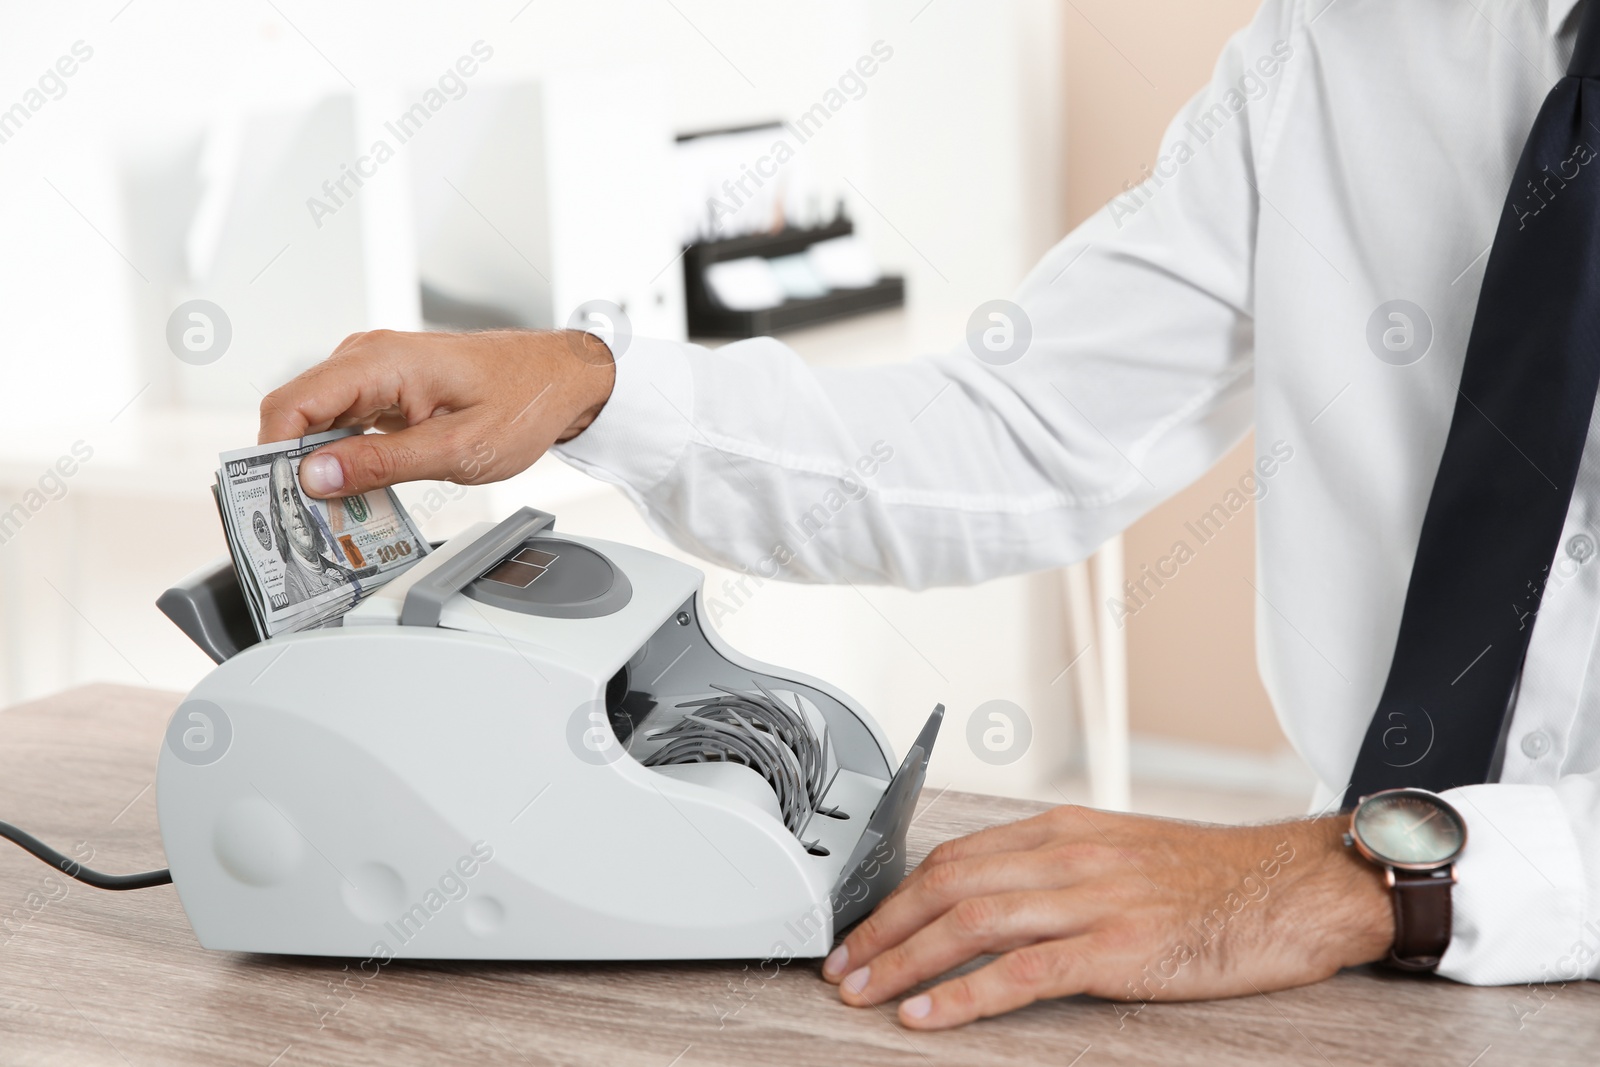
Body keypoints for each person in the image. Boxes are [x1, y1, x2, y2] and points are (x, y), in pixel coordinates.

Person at [258, 0, 1600, 1031]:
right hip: (1339, 988)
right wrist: (591, 386)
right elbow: (1023, 432)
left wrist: (1358, 875)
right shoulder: (1348, 43)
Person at [267, 454, 352, 606]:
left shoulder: (343, 572)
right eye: (286, 500)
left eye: (296, 497)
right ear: (280, 520)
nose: (296, 511)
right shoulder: (293, 587)